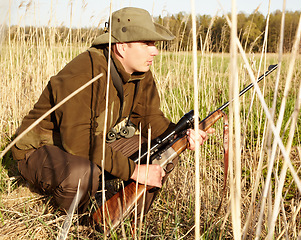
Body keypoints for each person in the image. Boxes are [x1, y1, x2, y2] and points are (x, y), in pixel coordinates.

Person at [11, 7, 212, 216]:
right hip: (42, 148)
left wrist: (181, 135)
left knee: (163, 153)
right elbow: (78, 141)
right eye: (147, 43)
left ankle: (125, 219)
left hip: (90, 142)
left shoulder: (140, 73)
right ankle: (84, 221)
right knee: (83, 173)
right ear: (122, 47)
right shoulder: (85, 71)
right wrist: (134, 171)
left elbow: (149, 117)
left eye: (154, 44)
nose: (155, 51)